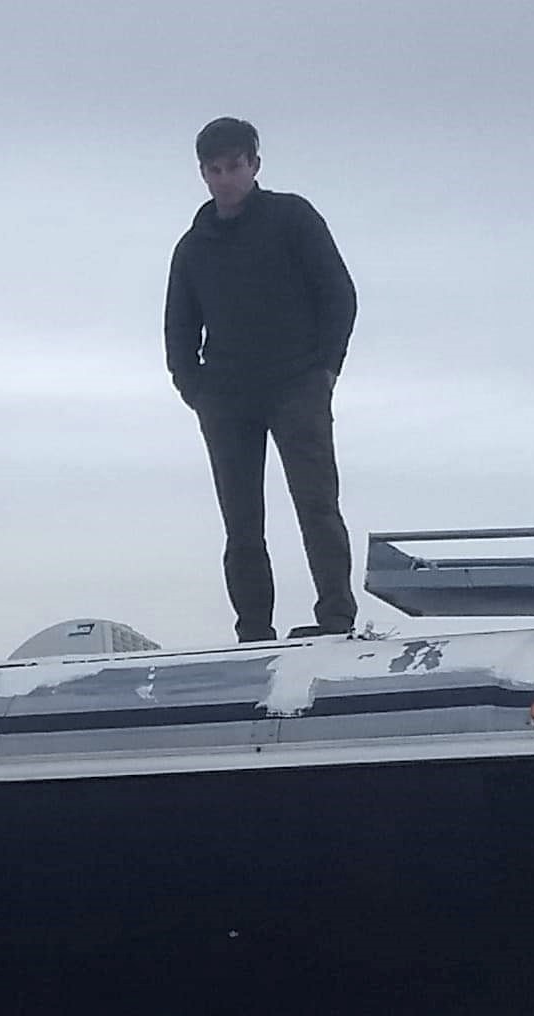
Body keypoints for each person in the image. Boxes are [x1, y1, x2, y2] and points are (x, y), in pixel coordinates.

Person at [164, 117, 359, 642]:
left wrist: (325, 370)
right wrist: (196, 391)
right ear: (202, 173)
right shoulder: (193, 247)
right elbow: (179, 328)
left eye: (234, 166)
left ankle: (336, 618)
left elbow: (338, 294)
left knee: (316, 504)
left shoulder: (293, 219)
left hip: (298, 384)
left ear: (255, 165)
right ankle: (253, 630)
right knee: (241, 521)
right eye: (215, 169)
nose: (225, 178)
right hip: (226, 398)